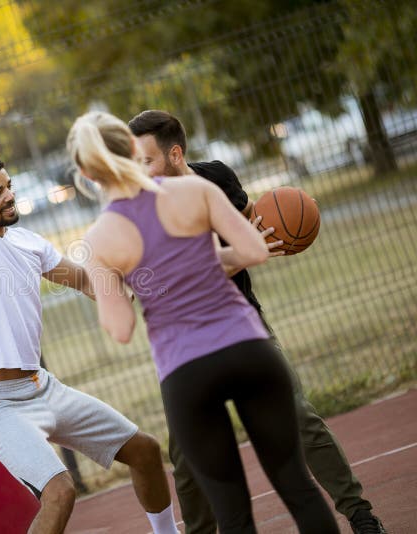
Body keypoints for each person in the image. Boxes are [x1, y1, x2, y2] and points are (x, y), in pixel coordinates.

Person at [0, 19, 178, 534]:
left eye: (9, 186)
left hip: (44, 389)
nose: (9, 196)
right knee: (60, 492)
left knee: (147, 452)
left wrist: (142, 286)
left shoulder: (27, 242)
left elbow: (89, 281)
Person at [68, 110, 340, 534]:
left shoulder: (100, 238)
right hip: (248, 347)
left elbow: (120, 329)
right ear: (130, 149)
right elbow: (254, 249)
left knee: (232, 514)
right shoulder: (194, 188)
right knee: (298, 488)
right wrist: (202, 261)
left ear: (85, 172)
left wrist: (119, 288)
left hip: (186, 371)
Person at [128, 109, 387, 534]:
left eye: (145, 160)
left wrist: (275, 233)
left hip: (242, 321)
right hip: (184, 342)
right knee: (187, 456)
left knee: (299, 417)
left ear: (175, 154)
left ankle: (360, 514)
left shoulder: (215, 178)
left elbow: (252, 218)